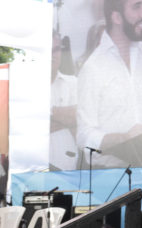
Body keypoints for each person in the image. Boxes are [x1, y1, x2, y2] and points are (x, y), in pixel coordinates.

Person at [77, 0, 142, 167]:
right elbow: (84, 136)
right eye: (137, 6)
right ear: (117, 17)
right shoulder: (94, 66)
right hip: (109, 175)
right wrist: (124, 139)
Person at [49, 31, 79, 170]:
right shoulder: (26, 86)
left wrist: (47, 114)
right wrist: (65, 119)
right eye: (47, 50)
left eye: (56, 50)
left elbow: (80, 119)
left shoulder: (74, 83)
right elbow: (30, 126)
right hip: (38, 170)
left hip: (71, 170)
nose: (52, 55)